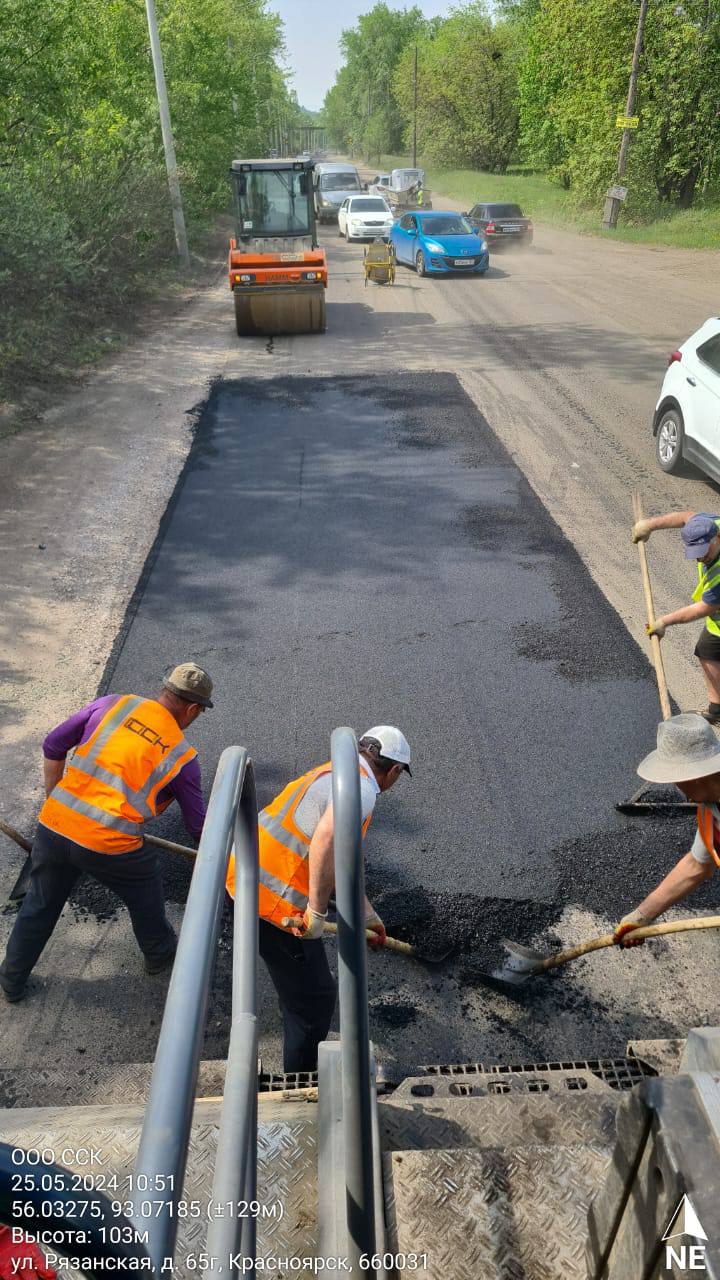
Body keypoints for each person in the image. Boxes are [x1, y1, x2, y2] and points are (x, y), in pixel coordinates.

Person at [0, 662, 212, 1002]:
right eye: (199, 712)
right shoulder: (182, 756)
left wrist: (57, 801)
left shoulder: (113, 703)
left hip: (53, 826)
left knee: (40, 903)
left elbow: (53, 745)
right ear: (191, 709)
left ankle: (11, 980)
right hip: (109, 844)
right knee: (146, 885)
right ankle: (159, 953)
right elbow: (199, 827)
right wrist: (230, 862)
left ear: (164, 691)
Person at [226, 725, 412, 1073]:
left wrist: (365, 912)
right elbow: (326, 840)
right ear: (396, 770)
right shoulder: (363, 791)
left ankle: (291, 1003)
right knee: (316, 1001)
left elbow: (342, 854)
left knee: (300, 987)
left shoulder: (336, 771)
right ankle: (300, 1079)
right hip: (272, 905)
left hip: (243, 873)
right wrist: (315, 910)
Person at [614, 713, 719, 947]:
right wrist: (642, 916)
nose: (676, 786)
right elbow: (697, 865)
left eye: (676, 778)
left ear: (697, 776)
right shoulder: (710, 812)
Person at [632, 509, 720, 723]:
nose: (700, 559)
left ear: (715, 538)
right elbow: (685, 517)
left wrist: (663, 622)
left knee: (710, 646)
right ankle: (717, 711)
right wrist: (649, 525)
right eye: (695, 552)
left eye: (704, 551)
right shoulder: (711, 523)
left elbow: (703, 608)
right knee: (707, 649)